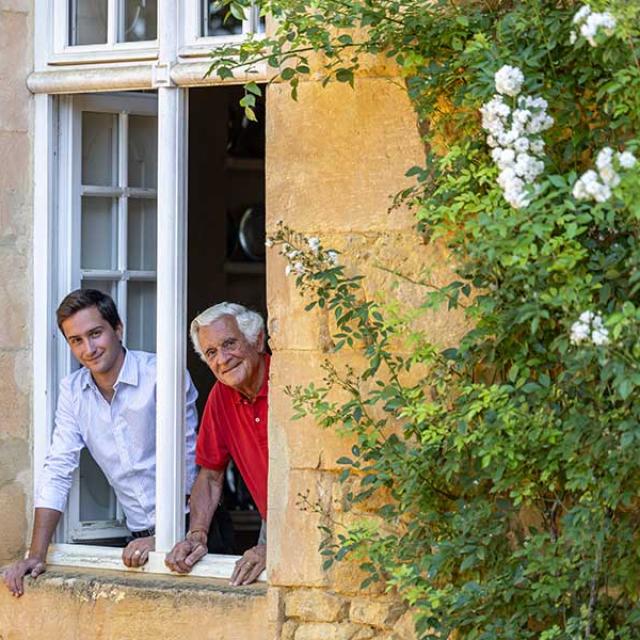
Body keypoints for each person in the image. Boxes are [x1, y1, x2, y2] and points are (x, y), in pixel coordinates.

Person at [3, 289, 200, 597]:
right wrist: (36, 555)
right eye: (76, 340)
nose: (89, 349)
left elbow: (188, 461)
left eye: (95, 334)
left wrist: (164, 538)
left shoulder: (160, 375)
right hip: (138, 540)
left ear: (117, 329)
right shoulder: (73, 392)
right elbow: (57, 469)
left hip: (195, 530)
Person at [165, 302, 269, 586]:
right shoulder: (220, 396)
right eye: (211, 352)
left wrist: (280, 547)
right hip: (271, 523)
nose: (222, 359)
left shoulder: (288, 383)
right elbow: (210, 475)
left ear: (257, 340)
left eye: (229, 344)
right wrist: (196, 535)